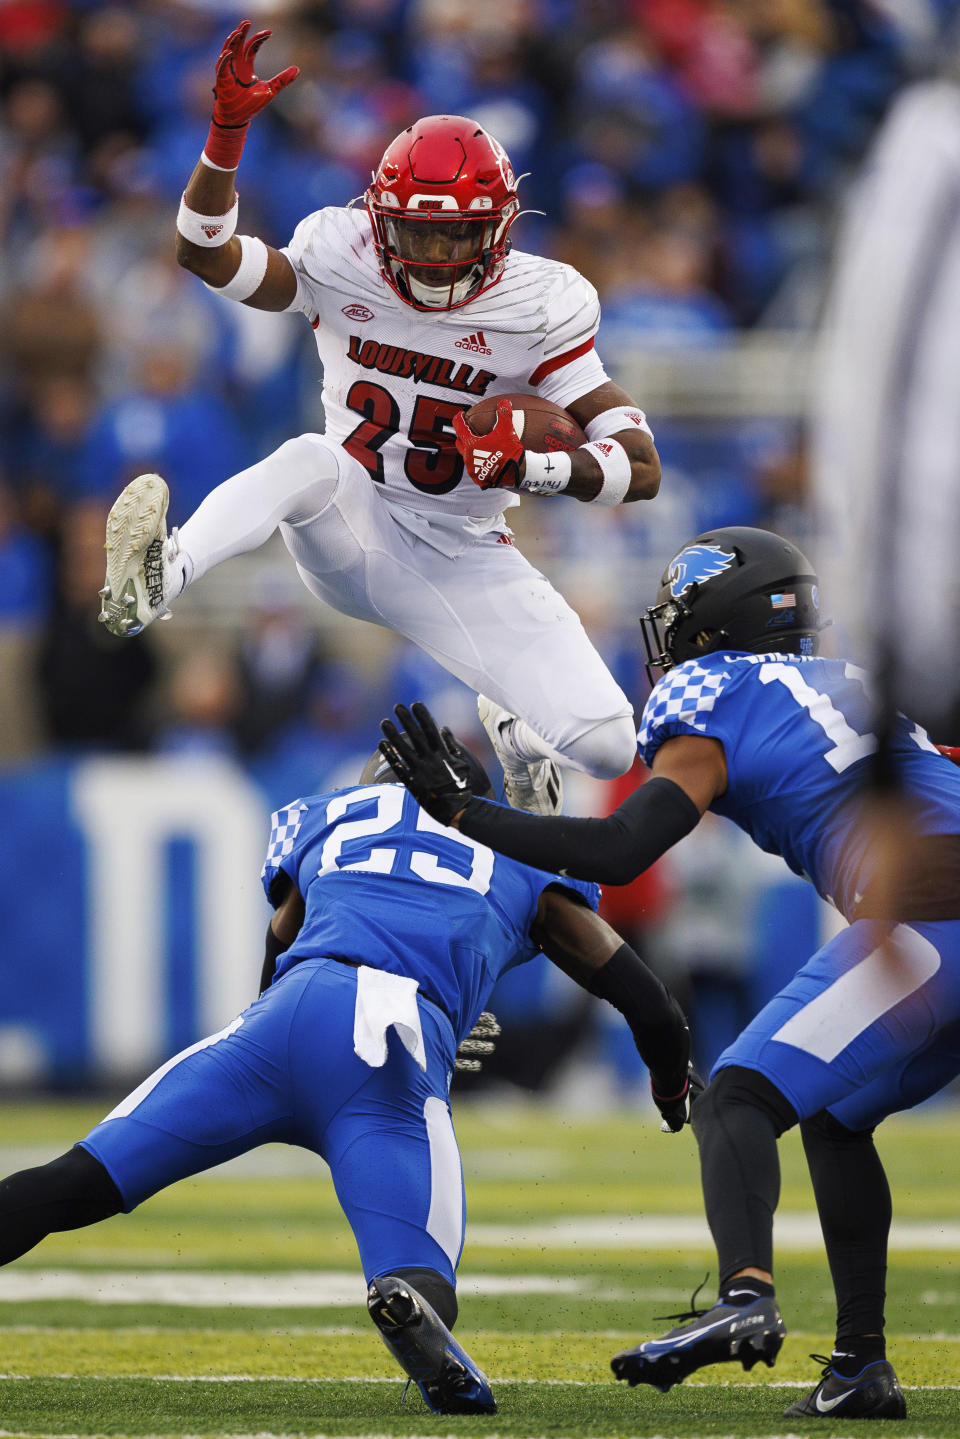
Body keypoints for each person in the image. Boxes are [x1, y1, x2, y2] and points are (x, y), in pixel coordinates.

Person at [380, 523, 960, 1420]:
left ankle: (745, 1295)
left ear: (711, 620)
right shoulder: (852, 683)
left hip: (932, 915)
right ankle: (857, 1367)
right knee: (839, 1118)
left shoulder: (714, 690)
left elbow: (620, 848)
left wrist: (464, 810)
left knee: (737, 1095)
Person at [0, 735, 694, 1415]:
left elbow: (281, 933)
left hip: (284, 1020)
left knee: (77, 1179)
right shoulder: (520, 853)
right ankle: (407, 1306)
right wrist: (670, 1090)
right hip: (391, 1047)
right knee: (422, 1277)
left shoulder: (330, 818)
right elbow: (651, 1007)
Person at [97, 20, 662, 816]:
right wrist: (225, 137)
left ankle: (519, 730)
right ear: (378, 218)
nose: (431, 257)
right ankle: (163, 573)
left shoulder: (540, 303)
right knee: (310, 458)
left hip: (464, 550)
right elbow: (204, 254)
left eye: (453, 235)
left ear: (499, 229)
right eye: (415, 232)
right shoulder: (340, 251)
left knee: (610, 743)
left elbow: (639, 466)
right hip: (350, 523)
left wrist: (533, 466)